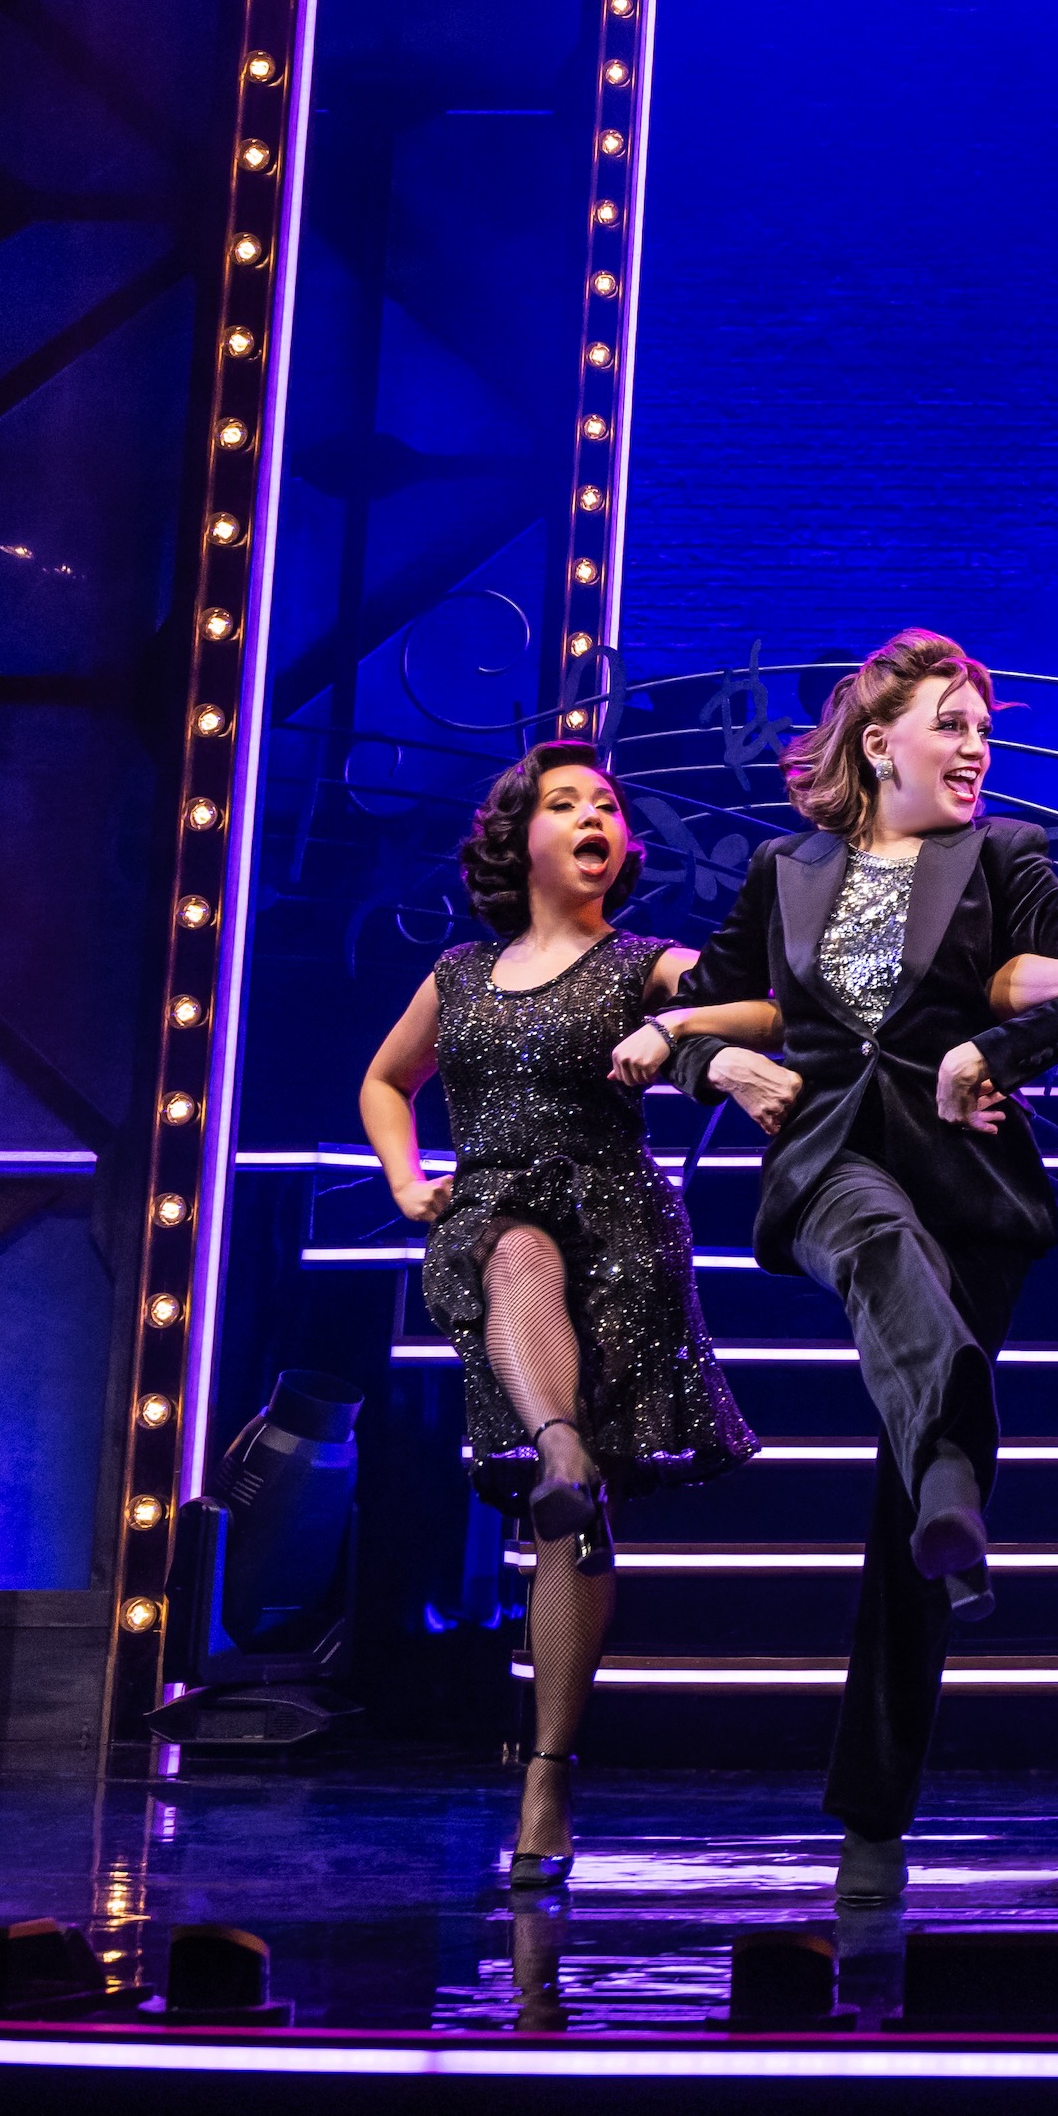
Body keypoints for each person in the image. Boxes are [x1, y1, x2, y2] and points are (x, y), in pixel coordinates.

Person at [663, 628, 1058, 1900]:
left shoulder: (1003, 856)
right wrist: (700, 1052)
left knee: (914, 1521)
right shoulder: (785, 867)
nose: (976, 745)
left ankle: (872, 1819)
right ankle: (955, 1456)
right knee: (874, 1239)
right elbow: (717, 1000)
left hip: (970, 1186)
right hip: (828, 1156)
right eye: (953, 723)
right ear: (880, 743)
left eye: (985, 727)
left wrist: (995, 1049)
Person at [358, 745, 767, 1892]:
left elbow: (766, 1003)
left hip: (618, 1236)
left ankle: (546, 1770)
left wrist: (674, 1030)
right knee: (509, 1247)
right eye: (565, 800)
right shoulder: (459, 974)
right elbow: (385, 1079)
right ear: (518, 837)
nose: (594, 813)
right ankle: (561, 1447)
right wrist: (404, 1178)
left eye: (608, 803)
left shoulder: (642, 960)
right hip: (493, 1220)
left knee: (567, 1532)